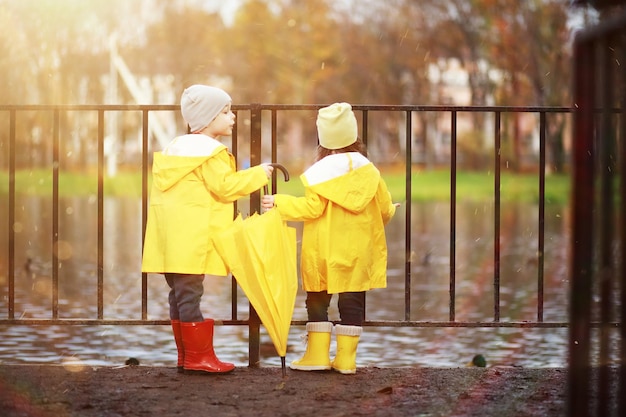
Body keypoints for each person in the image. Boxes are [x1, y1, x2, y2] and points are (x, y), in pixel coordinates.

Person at [141, 84, 273, 374]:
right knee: (190, 294)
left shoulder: (176, 151)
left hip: (170, 238)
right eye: (225, 112)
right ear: (207, 118)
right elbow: (225, 188)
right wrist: (258, 174)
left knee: (178, 294)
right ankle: (198, 358)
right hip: (192, 238)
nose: (232, 116)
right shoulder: (209, 154)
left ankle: (186, 355)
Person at [261, 102, 398, 374]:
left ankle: (317, 356)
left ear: (323, 140)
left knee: (317, 300)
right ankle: (346, 360)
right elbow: (384, 209)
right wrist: (389, 211)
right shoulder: (370, 172)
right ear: (354, 136)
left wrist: (279, 202)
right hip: (358, 251)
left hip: (323, 250)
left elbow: (312, 208)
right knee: (352, 301)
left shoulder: (320, 174)